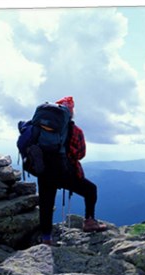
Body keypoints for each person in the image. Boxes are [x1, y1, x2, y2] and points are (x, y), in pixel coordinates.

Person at [38, 96, 106, 245]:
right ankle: (89, 221)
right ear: (70, 112)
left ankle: (46, 237)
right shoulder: (75, 131)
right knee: (90, 190)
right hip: (65, 172)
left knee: (46, 203)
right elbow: (81, 154)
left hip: (43, 171)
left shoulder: (40, 128)